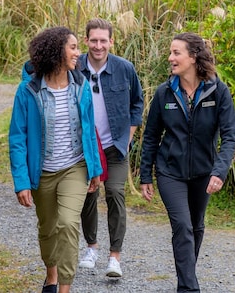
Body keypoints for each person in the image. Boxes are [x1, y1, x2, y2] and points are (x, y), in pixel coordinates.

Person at [139, 32, 235, 293]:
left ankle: (187, 277)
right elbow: (150, 137)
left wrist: (219, 171)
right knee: (182, 226)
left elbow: (230, 137)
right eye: (171, 53)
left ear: (193, 57)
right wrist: (145, 175)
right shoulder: (164, 93)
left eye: (176, 53)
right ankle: (189, 288)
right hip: (170, 171)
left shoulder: (218, 91)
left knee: (196, 226)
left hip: (204, 171)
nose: (170, 58)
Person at [9, 26, 103, 293]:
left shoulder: (81, 85)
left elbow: (89, 129)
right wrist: (21, 181)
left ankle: (64, 287)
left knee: (68, 224)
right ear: (56, 51)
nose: (78, 52)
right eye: (73, 47)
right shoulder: (28, 90)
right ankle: (51, 275)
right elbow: (17, 137)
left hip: (74, 167)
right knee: (48, 227)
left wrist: (95, 169)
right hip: (43, 172)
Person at [76, 18, 144, 278]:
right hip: (86, 148)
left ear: (111, 42)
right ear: (86, 41)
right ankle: (91, 248)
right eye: (93, 40)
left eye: (103, 40)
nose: (98, 45)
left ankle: (115, 257)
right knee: (88, 195)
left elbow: (137, 103)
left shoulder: (124, 68)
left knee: (115, 193)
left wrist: (128, 137)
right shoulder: (74, 68)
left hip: (115, 146)